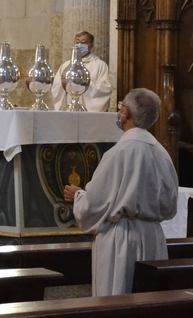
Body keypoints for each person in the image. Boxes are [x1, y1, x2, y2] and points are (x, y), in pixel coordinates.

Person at [63, 88, 179, 296]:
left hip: (122, 241)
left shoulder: (119, 153)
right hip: (153, 237)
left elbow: (94, 204)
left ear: (126, 114)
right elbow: (170, 206)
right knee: (148, 305)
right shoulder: (162, 154)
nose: (119, 112)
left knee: (116, 300)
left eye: (121, 107)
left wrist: (78, 196)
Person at [51, 31, 112, 112]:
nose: (79, 45)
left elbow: (105, 88)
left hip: (89, 111)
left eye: (83, 42)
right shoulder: (66, 65)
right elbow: (56, 86)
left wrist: (83, 85)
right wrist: (68, 85)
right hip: (69, 109)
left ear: (91, 45)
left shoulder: (100, 65)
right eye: (77, 42)